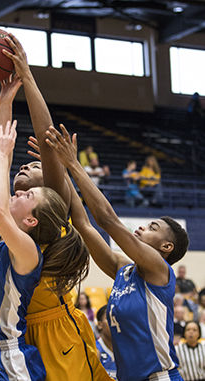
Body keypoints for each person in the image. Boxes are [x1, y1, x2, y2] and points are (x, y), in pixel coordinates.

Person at [0, 41, 111, 380]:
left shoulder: (54, 205)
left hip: (55, 329)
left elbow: (46, 139)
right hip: (13, 333)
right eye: (22, 165)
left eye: (33, 168)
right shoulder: (9, 211)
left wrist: (27, 76)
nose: (24, 167)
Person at [45, 123, 190, 381]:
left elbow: (108, 220)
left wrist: (74, 164)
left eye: (152, 227)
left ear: (165, 247)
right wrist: (60, 167)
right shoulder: (124, 271)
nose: (143, 226)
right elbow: (83, 224)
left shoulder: (160, 270)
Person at [0, 112, 90, 379]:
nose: (24, 169)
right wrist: (3, 102)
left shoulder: (38, 235)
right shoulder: (5, 231)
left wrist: (0, 152)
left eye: (36, 166)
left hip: (39, 336)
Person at [95, 306, 117, 380]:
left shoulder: (128, 350)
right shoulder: (94, 351)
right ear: (99, 325)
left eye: (117, 319)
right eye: (110, 319)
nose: (115, 323)